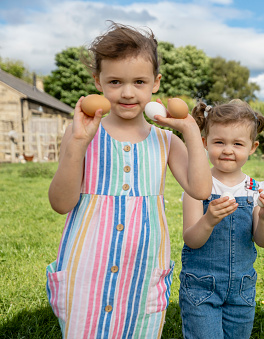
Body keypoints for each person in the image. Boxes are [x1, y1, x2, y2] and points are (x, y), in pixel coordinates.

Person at [46, 22, 211, 338]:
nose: (127, 92)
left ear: (155, 83)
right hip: (86, 271)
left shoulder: (165, 141)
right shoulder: (83, 134)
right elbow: (60, 203)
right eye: (115, 81)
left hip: (142, 273)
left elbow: (201, 189)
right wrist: (77, 144)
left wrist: (190, 130)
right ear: (98, 82)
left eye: (138, 81)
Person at [179, 100, 264, 338]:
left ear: (252, 147)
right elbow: (191, 240)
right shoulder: (197, 186)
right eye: (219, 142)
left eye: (237, 143)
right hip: (201, 287)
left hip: (242, 289)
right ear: (204, 143)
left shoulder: (257, 189)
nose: (228, 150)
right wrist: (208, 221)